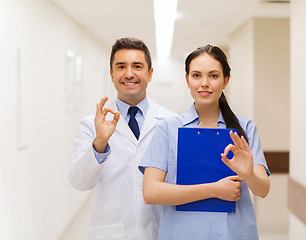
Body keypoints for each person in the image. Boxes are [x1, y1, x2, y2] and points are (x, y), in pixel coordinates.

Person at [139, 45, 270, 240]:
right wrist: (215, 190)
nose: (204, 83)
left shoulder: (244, 129)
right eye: (197, 75)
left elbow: (263, 190)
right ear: (187, 80)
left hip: (232, 233)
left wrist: (248, 174)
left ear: (225, 81)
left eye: (214, 76)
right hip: (181, 233)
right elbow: (151, 192)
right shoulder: (168, 129)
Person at [69, 37, 176, 240]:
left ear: (150, 73)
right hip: (112, 232)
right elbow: (79, 182)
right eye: (121, 66)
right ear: (111, 74)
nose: (129, 74)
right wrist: (99, 143)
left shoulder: (171, 122)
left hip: (161, 230)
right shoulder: (90, 124)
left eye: (137, 66)